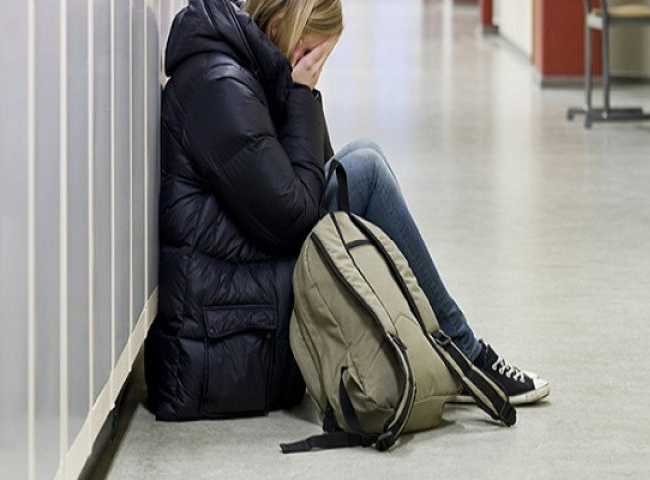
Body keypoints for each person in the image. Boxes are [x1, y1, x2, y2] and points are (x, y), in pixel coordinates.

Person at [144, 0, 550, 421]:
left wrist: (295, 90)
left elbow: (318, 168)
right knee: (365, 170)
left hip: (241, 288)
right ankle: (465, 354)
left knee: (361, 158)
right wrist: (300, 94)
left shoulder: (240, 69)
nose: (313, 66)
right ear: (281, 26)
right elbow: (296, 218)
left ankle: (451, 350)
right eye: (311, 52)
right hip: (221, 335)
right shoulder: (220, 87)